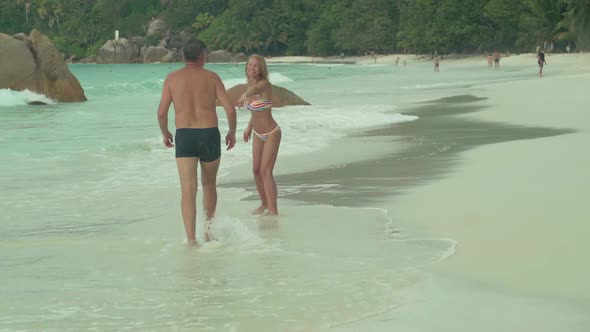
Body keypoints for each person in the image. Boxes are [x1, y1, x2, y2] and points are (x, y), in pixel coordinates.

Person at [157, 38, 237, 244]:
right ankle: (208, 233)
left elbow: (161, 113)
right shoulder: (212, 78)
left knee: (188, 189)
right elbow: (229, 108)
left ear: (183, 56)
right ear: (203, 56)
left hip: (185, 135)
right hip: (209, 133)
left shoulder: (172, 79)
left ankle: (191, 240)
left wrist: (166, 133)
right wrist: (232, 132)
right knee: (209, 184)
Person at [237, 55, 281, 215]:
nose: (252, 68)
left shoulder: (264, 85)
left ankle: (273, 210)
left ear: (261, 68)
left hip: (271, 132)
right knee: (256, 170)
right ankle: (264, 204)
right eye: (249, 65)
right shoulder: (250, 84)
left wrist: (245, 94)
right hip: (257, 133)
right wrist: (249, 126)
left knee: (265, 171)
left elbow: (255, 91)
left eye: (256, 66)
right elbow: (257, 111)